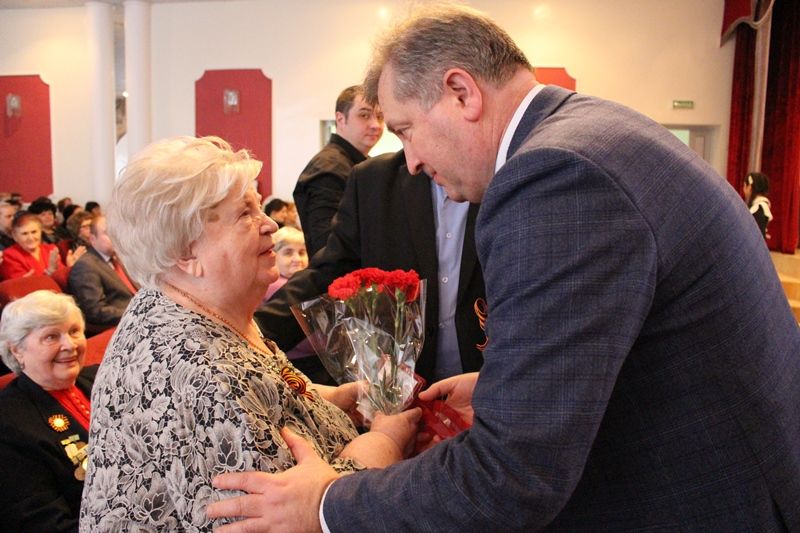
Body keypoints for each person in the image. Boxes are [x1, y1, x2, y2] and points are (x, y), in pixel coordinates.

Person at [209, 5, 800, 532]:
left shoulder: (553, 176)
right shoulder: (583, 131)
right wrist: (505, 387)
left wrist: (327, 504)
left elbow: (513, 474)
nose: (409, 161)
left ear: (461, 93)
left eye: (407, 131)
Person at [79, 136, 419, 530]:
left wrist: (330, 400)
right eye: (245, 214)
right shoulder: (200, 371)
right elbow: (288, 518)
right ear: (186, 253)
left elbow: (263, 392)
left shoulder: (190, 303)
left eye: (258, 206)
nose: (270, 224)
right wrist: (384, 442)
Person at [257, 149, 486, 384]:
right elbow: (329, 272)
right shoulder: (373, 180)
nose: (412, 159)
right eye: (400, 134)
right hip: (402, 386)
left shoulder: (496, 170)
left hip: (490, 380)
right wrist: (252, 333)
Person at [0, 290, 97, 532]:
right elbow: (45, 522)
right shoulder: (9, 423)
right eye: (51, 337)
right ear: (17, 350)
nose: (70, 345)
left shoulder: (102, 377)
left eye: (74, 331)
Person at [293, 85, 385, 257]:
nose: (375, 125)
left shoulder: (359, 164)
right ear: (340, 119)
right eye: (364, 115)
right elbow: (326, 247)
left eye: (380, 117)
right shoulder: (329, 169)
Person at [67, 214, 135, 330]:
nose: (115, 237)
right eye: (107, 233)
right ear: (93, 239)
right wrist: (136, 313)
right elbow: (96, 311)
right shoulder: (85, 266)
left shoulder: (118, 258)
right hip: (123, 324)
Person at [0, 211, 84, 280]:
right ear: (15, 236)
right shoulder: (9, 256)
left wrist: (70, 268)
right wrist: (50, 271)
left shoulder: (51, 249)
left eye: (34, 232)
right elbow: (21, 288)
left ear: (40, 232)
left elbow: (63, 280)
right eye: (24, 234)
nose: (31, 238)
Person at [743, 171, 772, 238]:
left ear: (749, 187)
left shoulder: (758, 207)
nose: (743, 189)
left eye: (744, 185)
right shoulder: (760, 206)